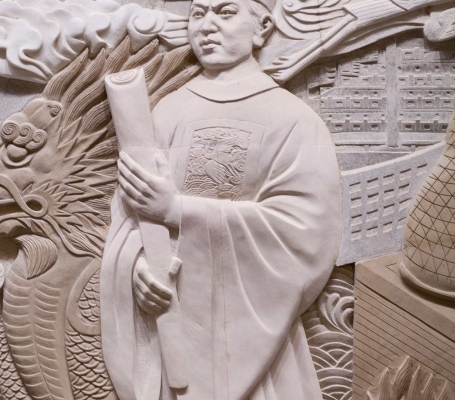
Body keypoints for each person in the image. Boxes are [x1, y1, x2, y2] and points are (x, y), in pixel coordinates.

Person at [100, 0, 342, 398]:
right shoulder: (168, 112)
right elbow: (129, 216)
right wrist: (137, 268)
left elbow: (305, 231)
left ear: (263, 27)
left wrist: (178, 209)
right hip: (172, 323)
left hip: (258, 342)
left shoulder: (292, 119)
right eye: (198, 14)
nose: (207, 25)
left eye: (226, 12)